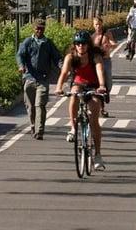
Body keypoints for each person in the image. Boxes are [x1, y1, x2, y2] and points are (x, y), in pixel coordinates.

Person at [55, 31, 107, 170]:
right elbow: (64, 73)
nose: (81, 46)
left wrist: (101, 86)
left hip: (94, 86)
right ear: (74, 45)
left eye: (83, 43)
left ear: (88, 45)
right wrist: (59, 87)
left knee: (93, 117)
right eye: (78, 43)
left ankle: (98, 155)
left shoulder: (95, 57)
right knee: (73, 94)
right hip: (78, 85)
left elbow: (100, 71)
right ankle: (73, 127)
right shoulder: (70, 57)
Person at [16, 18, 62, 140]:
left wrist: (62, 66)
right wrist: (21, 66)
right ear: (33, 28)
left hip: (43, 79)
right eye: (37, 28)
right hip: (29, 78)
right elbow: (20, 55)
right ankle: (33, 126)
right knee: (30, 106)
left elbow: (57, 57)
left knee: (40, 105)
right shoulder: (28, 42)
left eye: (42, 28)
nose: (39, 30)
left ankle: (39, 131)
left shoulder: (48, 43)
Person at [91, 16, 117, 117]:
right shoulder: (92, 37)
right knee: (98, 85)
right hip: (96, 62)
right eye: (96, 24)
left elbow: (114, 44)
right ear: (93, 25)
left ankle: (107, 93)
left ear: (102, 24)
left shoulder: (107, 34)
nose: (98, 26)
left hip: (106, 61)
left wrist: (109, 46)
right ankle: (102, 108)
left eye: (99, 24)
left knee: (108, 82)